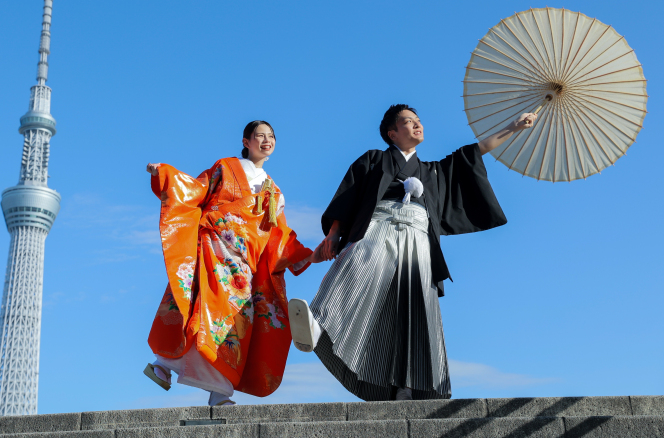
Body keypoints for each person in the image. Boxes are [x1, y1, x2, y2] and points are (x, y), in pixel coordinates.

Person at [288, 104, 536, 401]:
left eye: (419, 121)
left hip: (418, 237)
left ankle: (405, 387)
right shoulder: (373, 159)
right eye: (408, 122)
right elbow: (347, 197)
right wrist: (333, 234)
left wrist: (513, 126)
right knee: (356, 263)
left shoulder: (432, 171)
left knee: (413, 307)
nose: (417, 125)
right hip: (379, 226)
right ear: (392, 133)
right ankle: (318, 324)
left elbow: (474, 152)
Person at [143, 120, 322, 406]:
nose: (266, 140)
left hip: (244, 268)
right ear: (246, 141)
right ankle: (169, 367)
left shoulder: (274, 193)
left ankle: (206, 386)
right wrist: (166, 174)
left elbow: (279, 236)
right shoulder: (225, 168)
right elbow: (196, 189)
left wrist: (310, 255)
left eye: (271, 136)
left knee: (233, 324)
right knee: (201, 310)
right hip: (214, 249)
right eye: (259, 136)